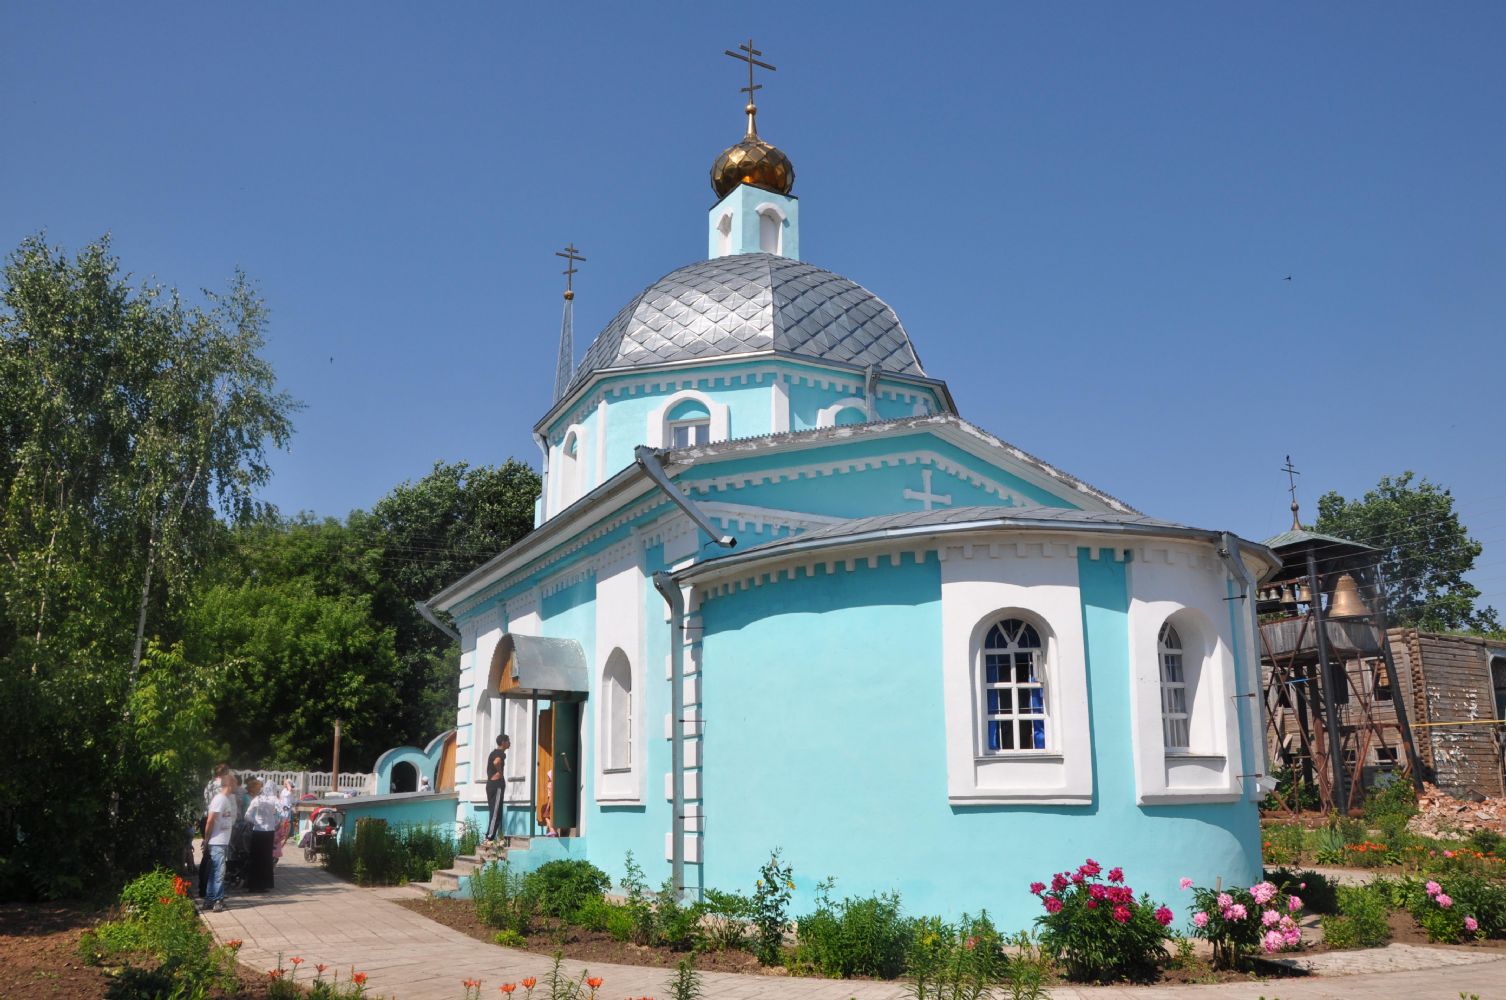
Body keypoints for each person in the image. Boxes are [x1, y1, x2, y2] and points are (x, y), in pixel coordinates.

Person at [203, 773, 238, 912]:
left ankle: (209, 900)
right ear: (230, 784)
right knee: (219, 872)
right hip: (217, 841)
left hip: (222, 841)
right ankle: (218, 900)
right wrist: (206, 839)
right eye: (235, 783)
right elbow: (210, 820)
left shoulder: (225, 799)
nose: (236, 786)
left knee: (215, 872)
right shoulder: (220, 799)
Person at [198, 764, 231, 898]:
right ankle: (210, 892)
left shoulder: (209, 784)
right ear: (225, 773)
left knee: (207, 855)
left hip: (206, 817)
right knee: (214, 859)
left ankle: (204, 888)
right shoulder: (220, 786)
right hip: (214, 819)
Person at [483, 734, 510, 845]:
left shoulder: (493, 753)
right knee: (496, 813)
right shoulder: (501, 753)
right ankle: (489, 838)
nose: (509, 743)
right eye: (508, 741)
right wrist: (500, 773)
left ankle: (491, 837)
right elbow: (496, 762)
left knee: (494, 811)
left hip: (490, 785)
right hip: (497, 785)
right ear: (503, 742)